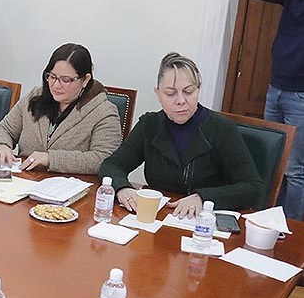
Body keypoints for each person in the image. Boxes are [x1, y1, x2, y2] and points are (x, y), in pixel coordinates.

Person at [99, 53, 262, 216]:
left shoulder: (221, 129)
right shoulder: (149, 125)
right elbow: (112, 165)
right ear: (158, 94)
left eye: (188, 92)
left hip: (203, 220)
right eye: (170, 93)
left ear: (198, 90)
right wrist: (122, 188)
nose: (180, 100)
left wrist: (202, 197)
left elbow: (253, 187)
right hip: (159, 216)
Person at [241, 0, 304, 219]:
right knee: (272, 163)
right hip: (275, 89)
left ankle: (292, 234)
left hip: (301, 97)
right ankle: (266, 222)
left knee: (295, 170)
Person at [0, 43, 121, 174]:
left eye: (65, 80)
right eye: (52, 76)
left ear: (85, 80)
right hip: (26, 179)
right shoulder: (35, 96)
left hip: (71, 185)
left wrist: (51, 158)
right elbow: (4, 129)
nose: (56, 85)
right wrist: (1, 145)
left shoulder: (104, 112)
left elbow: (103, 158)